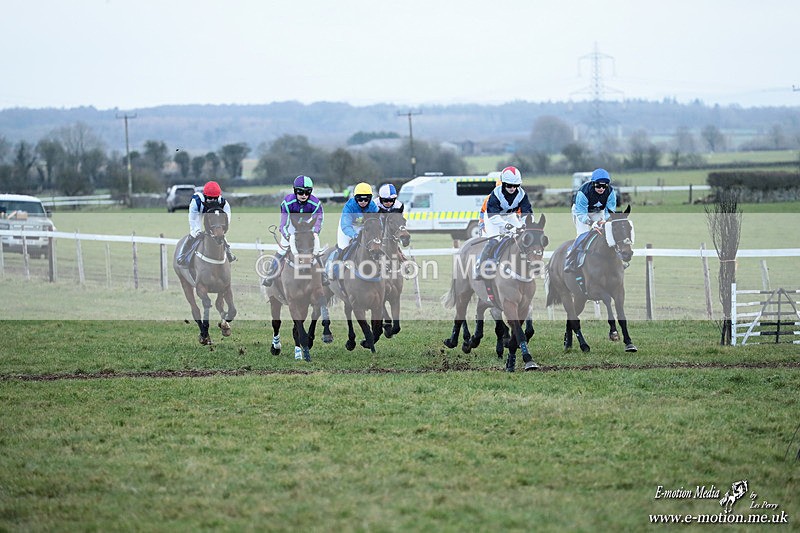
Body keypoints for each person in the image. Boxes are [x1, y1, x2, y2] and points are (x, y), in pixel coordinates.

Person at [262, 175, 325, 287]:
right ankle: (270, 274)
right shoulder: (287, 202)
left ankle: (323, 275)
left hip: (307, 227)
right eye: (300, 192)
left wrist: (315, 233)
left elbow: (318, 220)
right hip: (291, 226)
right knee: (282, 249)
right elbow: (284, 223)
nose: (304, 195)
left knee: (316, 249)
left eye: (307, 192)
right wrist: (288, 236)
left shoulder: (316, 204)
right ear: (295, 190)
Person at [477, 166, 534, 276]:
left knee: (522, 236)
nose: (513, 188)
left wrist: (526, 225)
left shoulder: (522, 195)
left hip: (509, 216)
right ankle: (480, 266)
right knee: (494, 240)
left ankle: (526, 263)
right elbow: (493, 217)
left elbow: (526, 213)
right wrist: (507, 227)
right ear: (503, 183)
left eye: (516, 185)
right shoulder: (495, 195)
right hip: (493, 218)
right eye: (509, 185)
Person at [564, 168, 618, 272]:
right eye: (598, 185)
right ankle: (571, 259)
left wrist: (605, 221)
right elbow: (581, 213)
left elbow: (610, 210)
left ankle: (616, 258)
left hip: (598, 211)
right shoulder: (583, 192)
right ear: (593, 184)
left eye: (604, 185)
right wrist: (591, 223)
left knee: (607, 232)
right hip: (581, 212)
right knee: (583, 235)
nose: (601, 188)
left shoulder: (611, 192)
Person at [178, 180, 235, 266]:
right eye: (210, 198)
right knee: (194, 233)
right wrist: (198, 231)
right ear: (205, 195)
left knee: (220, 234)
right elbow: (193, 220)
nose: (212, 200)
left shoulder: (223, 203)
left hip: (214, 214)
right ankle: (182, 255)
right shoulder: (196, 201)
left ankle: (229, 252)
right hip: (199, 213)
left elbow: (226, 219)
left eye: (215, 198)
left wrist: (222, 230)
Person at [337, 182, 379, 254]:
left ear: (370, 199)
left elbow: (378, 221)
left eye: (366, 199)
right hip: (348, 228)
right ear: (355, 198)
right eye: (360, 199)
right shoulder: (349, 206)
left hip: (363, 227)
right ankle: (338, 264)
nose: (363, 202)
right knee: (342, 250)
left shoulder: (373, 207)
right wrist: (354, 235)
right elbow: (346, 225)